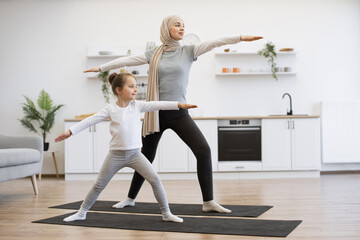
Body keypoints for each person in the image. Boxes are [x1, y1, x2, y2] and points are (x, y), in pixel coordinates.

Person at [84, 15, 263, 213]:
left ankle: (208, 201)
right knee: (144, 157)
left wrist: (241, 37)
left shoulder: (189, 51)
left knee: (203, 151)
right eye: (177, 25)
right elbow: (128, 60)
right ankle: (130, 198)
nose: (182, 28)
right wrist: (101, 67)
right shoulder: (154, 53)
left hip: (178, 112)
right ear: (166, 28)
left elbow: (215, 42)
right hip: (155, 113)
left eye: (183, 25)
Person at [55, 72, 197, 223]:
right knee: (99, 185)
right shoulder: (110, 109)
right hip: (115, 156)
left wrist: (179, 105)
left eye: (135, 86)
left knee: (155, 179)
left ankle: (166, 213)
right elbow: (90, 120)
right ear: (118, 90)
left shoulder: (137, 106)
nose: (135, 89)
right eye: (131, 86)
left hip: (135, 154)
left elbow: (159, 104)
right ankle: (82, 212)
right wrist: (70, 131)